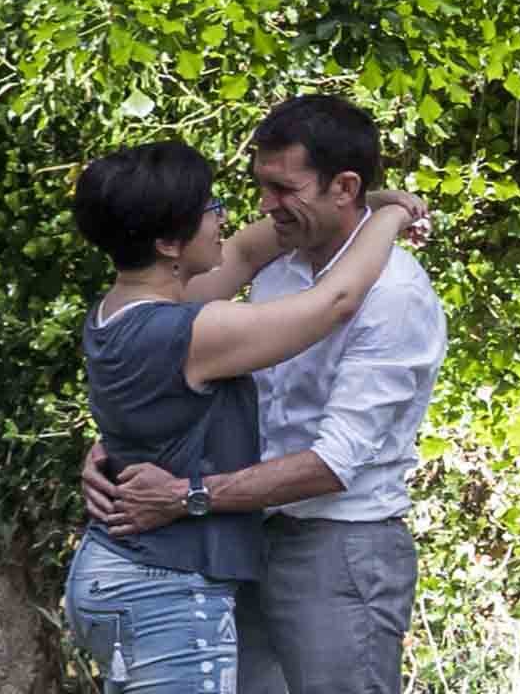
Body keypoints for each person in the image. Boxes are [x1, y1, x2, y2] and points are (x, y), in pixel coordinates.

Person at [82, 95, 448, 694]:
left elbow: (334, 462)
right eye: (257, 188)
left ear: (344, 186)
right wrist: (120, 445)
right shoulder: (271, 264)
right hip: (239, 534)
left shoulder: (395, 295)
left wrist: (186, 494)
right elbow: (173, 361)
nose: (261, 207)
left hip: (333, 546)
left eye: (282, 189)